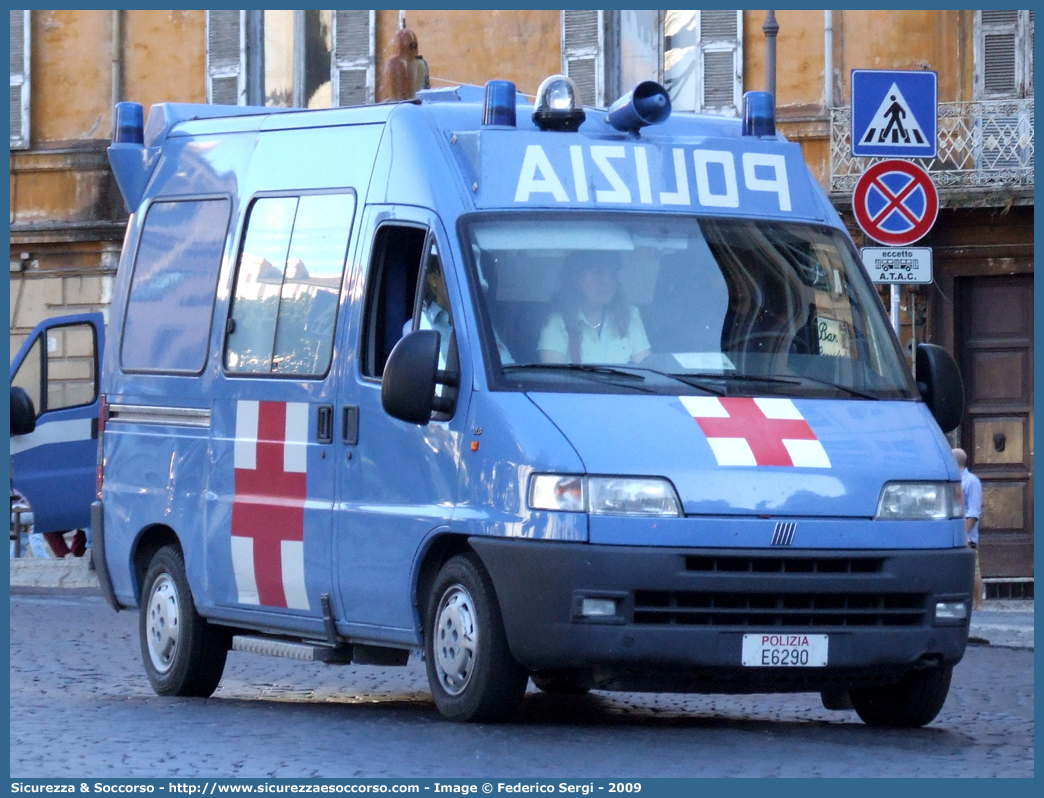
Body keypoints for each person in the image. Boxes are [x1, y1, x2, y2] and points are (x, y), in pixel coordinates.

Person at [537, 252, 651, 365]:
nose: (608, 281)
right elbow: (555, 379)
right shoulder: (556, 322)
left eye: (613, 274)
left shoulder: (630, 315)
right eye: (598, 273)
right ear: (577, 279)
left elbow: (646, 372)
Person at [953, 447, 983, 611]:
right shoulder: (953, 480)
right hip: (953, 533)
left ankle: (978, 606)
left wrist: (964, 533)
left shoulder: (971, 481)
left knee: (974, 569)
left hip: (967, 534)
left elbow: (973, 512)